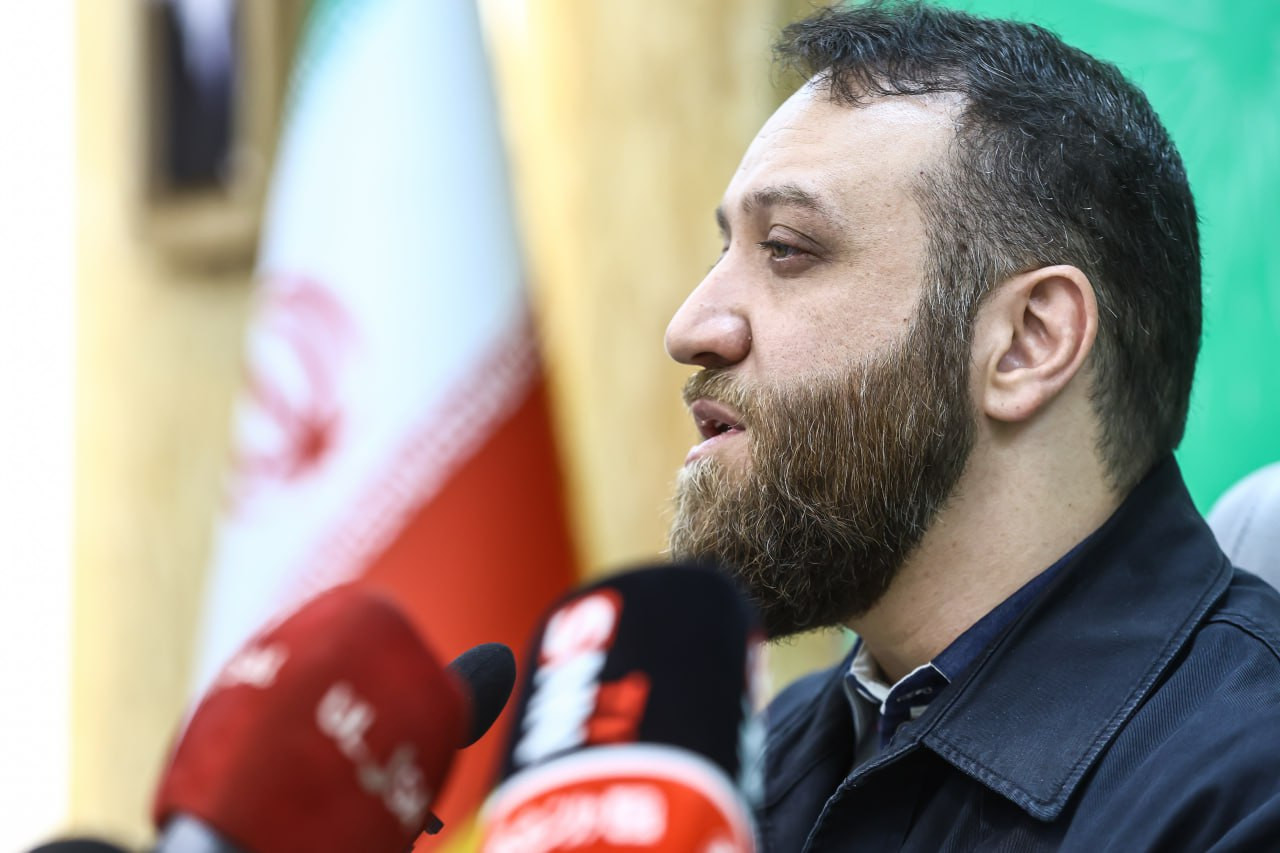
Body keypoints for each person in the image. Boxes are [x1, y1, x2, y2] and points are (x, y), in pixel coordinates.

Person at [664, 2, 1280, 850]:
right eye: (723, 252)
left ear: (1028, 342)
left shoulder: (1247, 789)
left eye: (788, 247)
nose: (690, 327)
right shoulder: (739, 775)